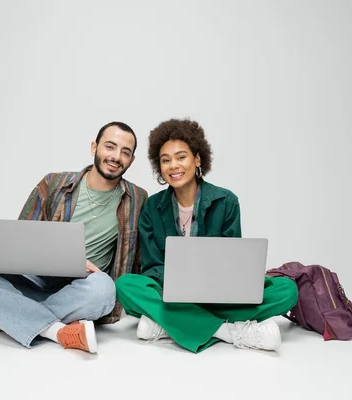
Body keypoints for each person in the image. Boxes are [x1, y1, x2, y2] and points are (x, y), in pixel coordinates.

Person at [0, 121, 148, 353]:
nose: (116, 156)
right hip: (36, 280)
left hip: (82, 292)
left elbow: (138, 259)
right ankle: (55, 331)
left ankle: (1, 317)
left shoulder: (137, 198)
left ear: (132, 160)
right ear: (94, 148)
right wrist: (65, 260)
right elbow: (20, 241)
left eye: (125, 152)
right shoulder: (54, 183)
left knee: (104, 288)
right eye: (110, 147)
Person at [115, 118, 298, 354]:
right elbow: (152, 267)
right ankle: (228, 331)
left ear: (197, 159)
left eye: (181, 157)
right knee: (126, 286)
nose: (173, 166)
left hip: (218, 294)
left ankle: (169, 324)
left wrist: (205, 282)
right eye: (165, 160)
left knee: (287, 290)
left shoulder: (226, 201)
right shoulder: (152, 208)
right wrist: (180, 280)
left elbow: (234, 264)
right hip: (171, 293)